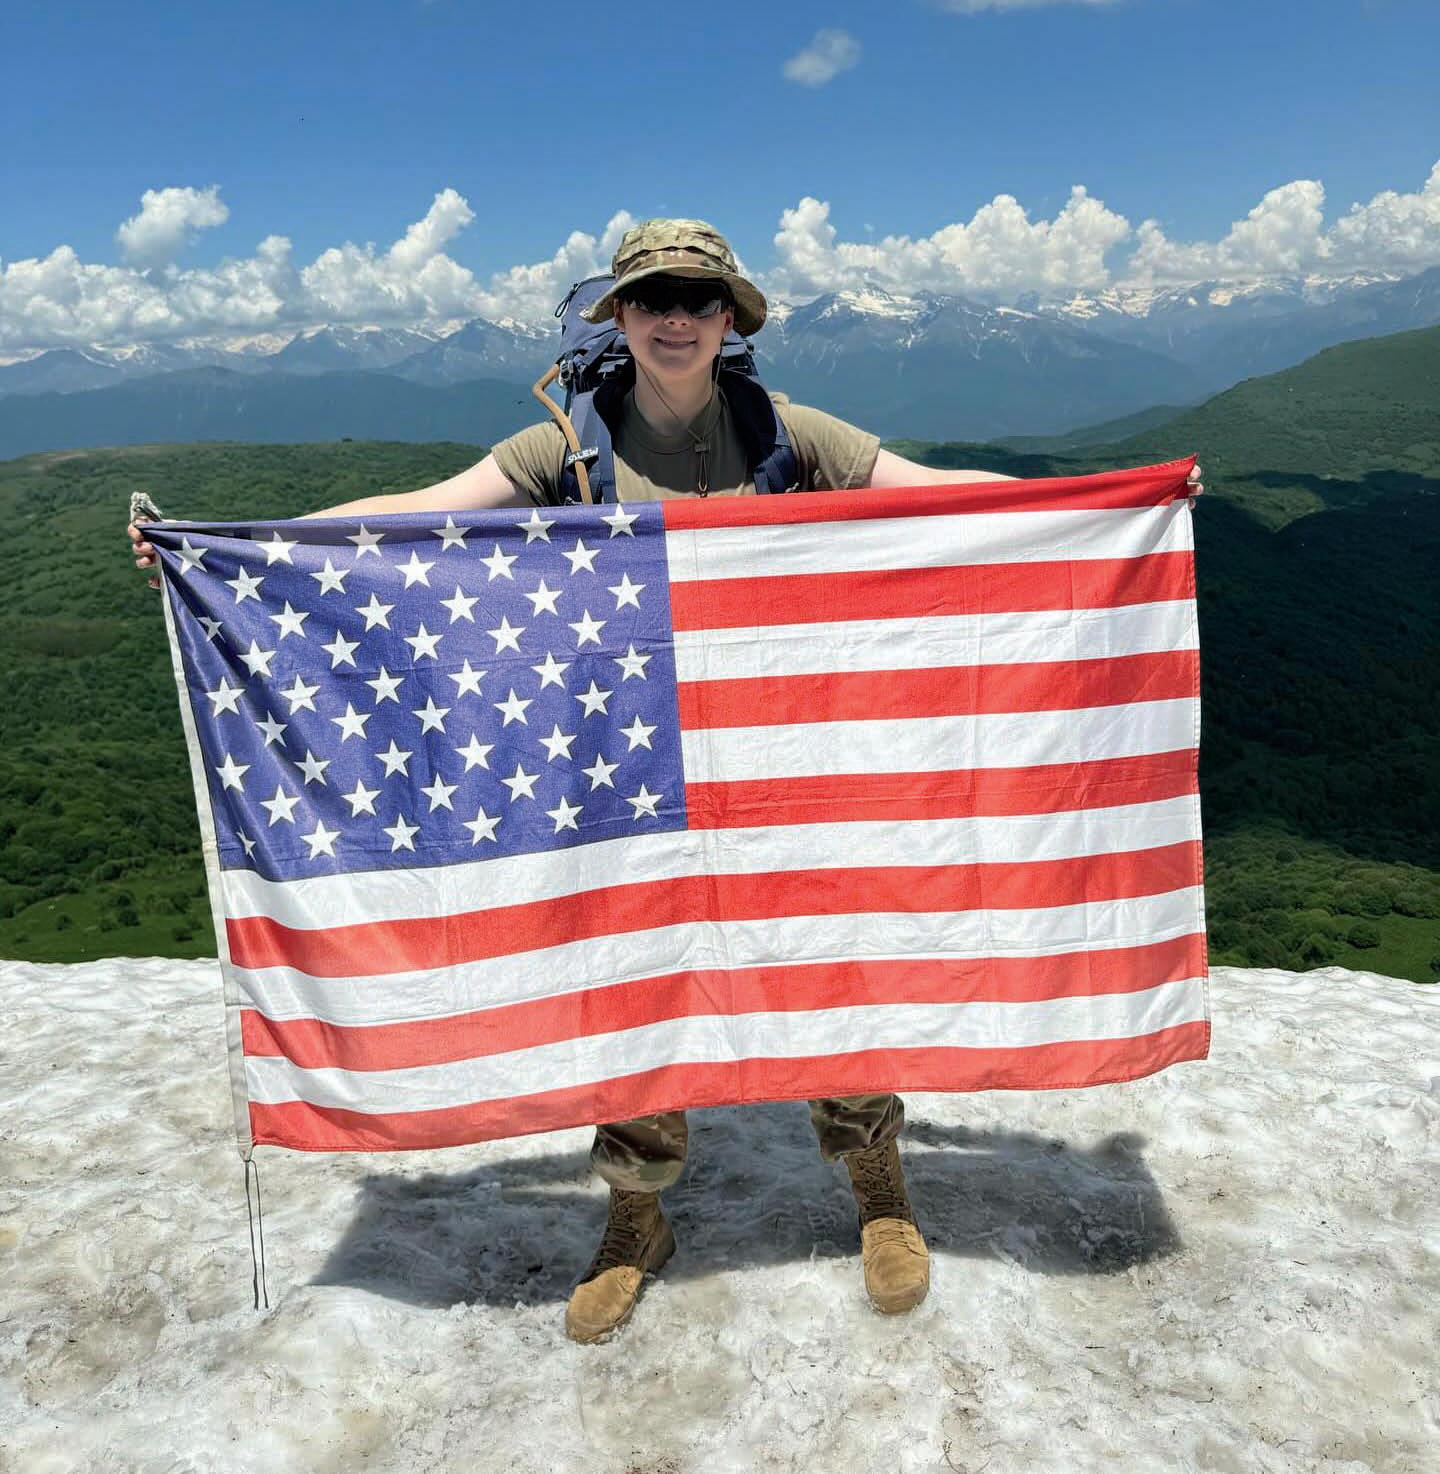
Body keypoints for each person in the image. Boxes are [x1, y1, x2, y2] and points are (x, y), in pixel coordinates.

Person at [130, 218, 1201, 1343]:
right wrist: (225, 548)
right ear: (622, 316)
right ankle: (637, 1212)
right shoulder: (565, 449)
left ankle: (876, 1177)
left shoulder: (789, 433)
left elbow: (937, 495)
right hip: (622, 758)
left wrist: (1119, 504)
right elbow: (417, 516)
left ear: (728, 316)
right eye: (653, 298)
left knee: (833, 950)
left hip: (783, 751)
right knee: (631, 969)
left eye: (696, 297)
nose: (675, 317)